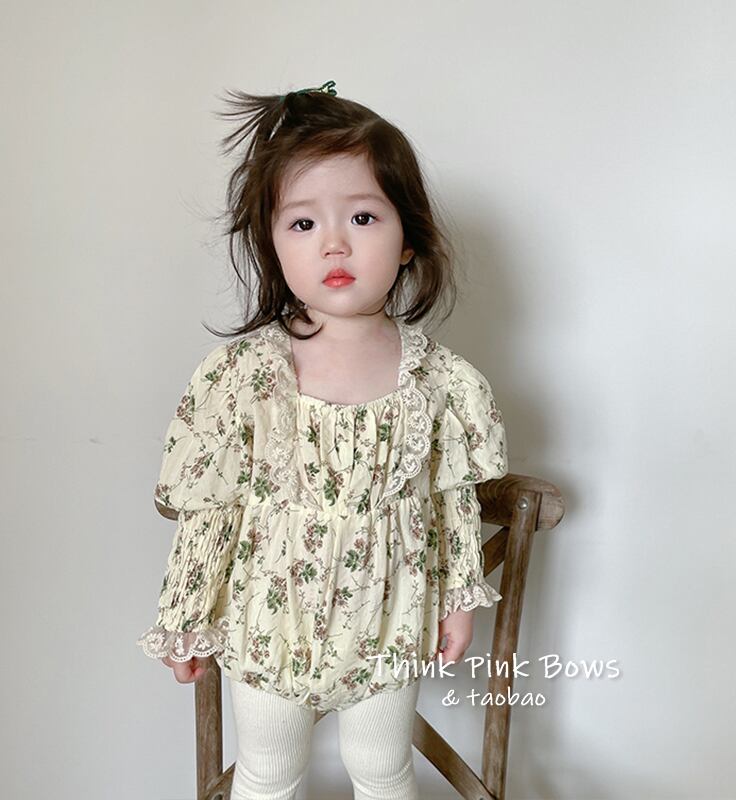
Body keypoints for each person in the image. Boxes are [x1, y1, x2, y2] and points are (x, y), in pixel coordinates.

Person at [137, 80, 509, 800]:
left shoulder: (440, 381)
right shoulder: (245, 376)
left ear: (409, 239)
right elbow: (209, 511)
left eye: (363, 217)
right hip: (270, 618)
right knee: (267, 772)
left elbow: (450, 502)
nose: (334, 243)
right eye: (303, 223)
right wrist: (184, 615)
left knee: (384, 770)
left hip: (388, 618)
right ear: (272, 246)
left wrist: (458, 599)